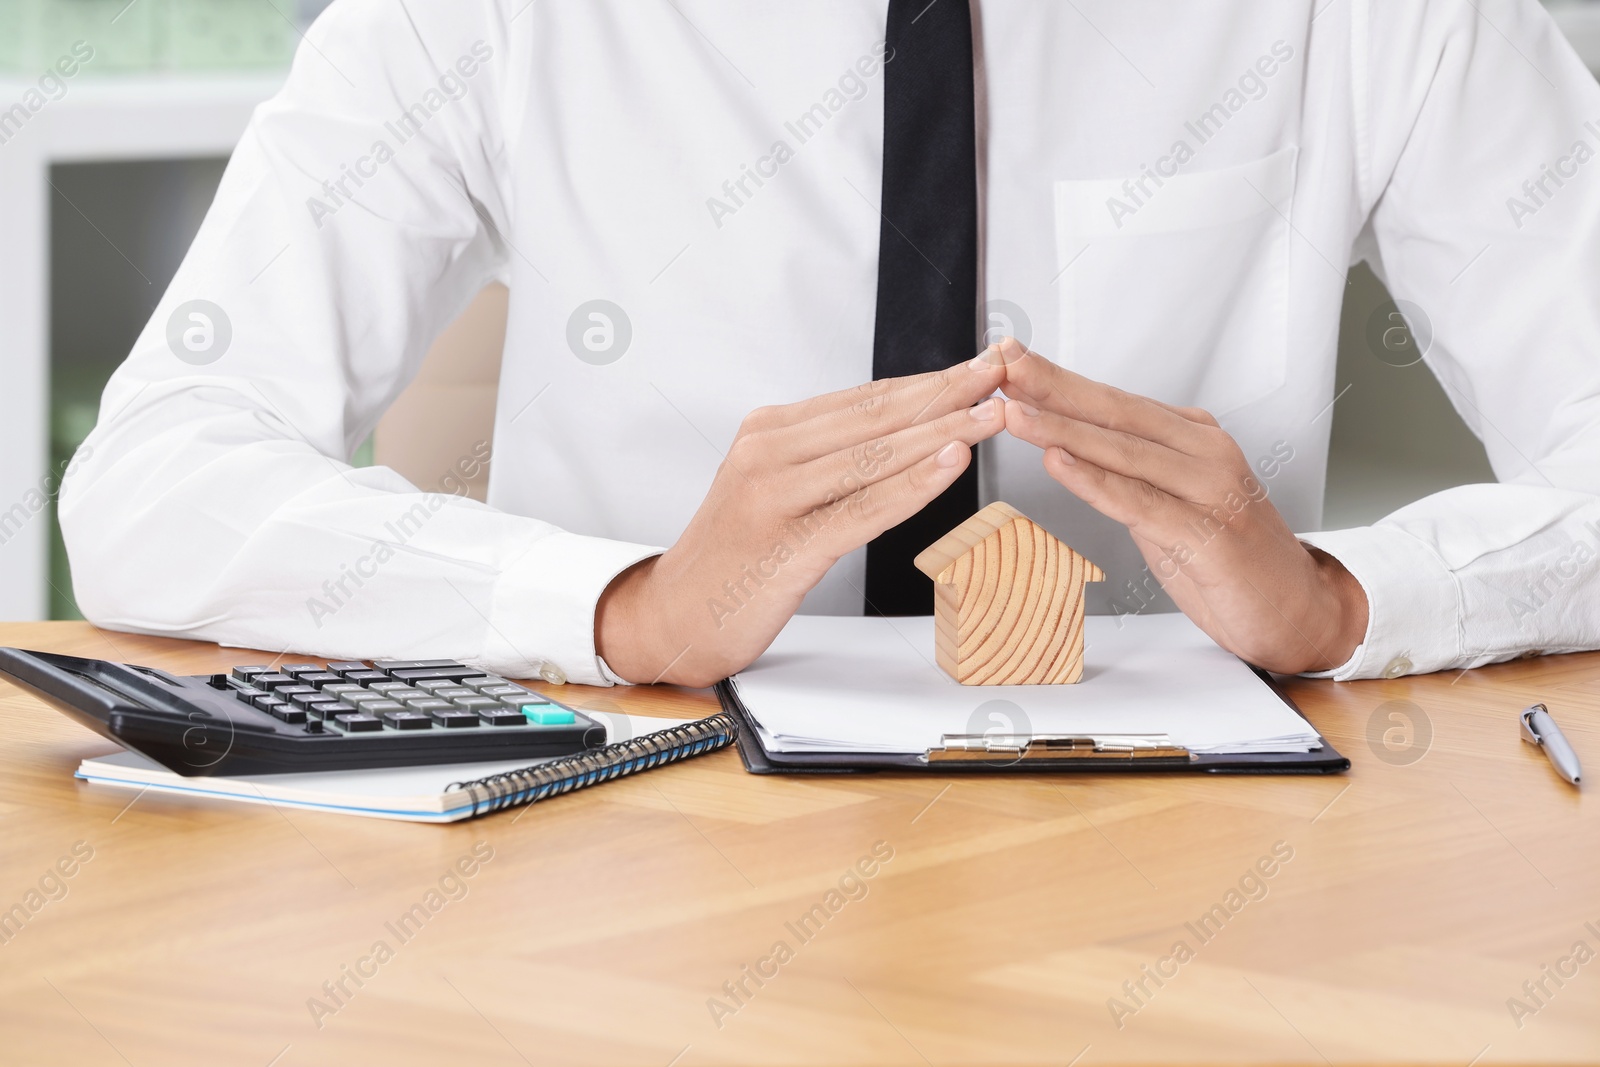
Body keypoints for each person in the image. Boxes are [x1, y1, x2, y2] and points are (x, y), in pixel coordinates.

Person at [60, 0, 1600, 688]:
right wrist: (624, 608)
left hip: (1182, 862)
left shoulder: (1390, 11)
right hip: (628, 851)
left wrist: (1340, 599)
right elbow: (151, 482)